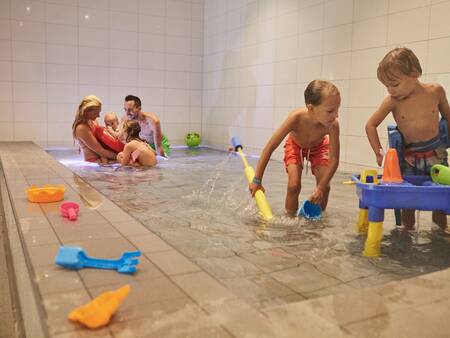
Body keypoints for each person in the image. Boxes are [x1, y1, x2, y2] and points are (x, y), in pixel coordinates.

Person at [365, 47, 450, 230]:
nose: (391, 90)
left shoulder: (436, 92)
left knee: (441, 202)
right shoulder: (392, 102)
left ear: (415, 74)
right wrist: (379, 153)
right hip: (410, 158)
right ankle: (406, 234)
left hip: (438, 155)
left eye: (394, 85)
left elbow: (449, 119)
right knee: (407, 201)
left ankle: (441, 234)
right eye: (386, 86)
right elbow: (370, 125)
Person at [249, 80, 341, 216]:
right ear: (311, 109)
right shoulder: (295, 118)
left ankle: (318, 219)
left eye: (337, 109)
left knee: (325, 187)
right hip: (295, 145)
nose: (336, 115)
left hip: (319, 147)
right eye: (330, 111)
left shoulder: (332, 125)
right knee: (293, 186)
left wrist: (320, 187)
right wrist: (257, 180)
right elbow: (270, 147)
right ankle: (290, 220)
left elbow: (334, 159)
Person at [72, 95, 117, 163]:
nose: (98, 115)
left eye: (99, 112)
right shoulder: (81, 128)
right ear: (86, 111)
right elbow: (100, 150)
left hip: (103, 158)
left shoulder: (93, 121)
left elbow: (101, 142)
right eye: (96, 113)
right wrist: (121, 157)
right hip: (93, 162)